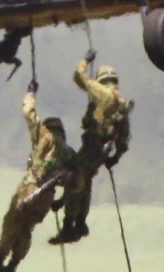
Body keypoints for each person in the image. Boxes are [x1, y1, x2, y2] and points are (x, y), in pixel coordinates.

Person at [0, 82, 75, 272]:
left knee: (12, 221)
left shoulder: (43, 134)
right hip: (46, 198)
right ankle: (13, 265)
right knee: (27, 228)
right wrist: (63, 201)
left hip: (31, 187)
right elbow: (77, 181)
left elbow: (27, 110)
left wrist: (31, 92)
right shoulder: (68, 152)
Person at [50, 50, 132, 244]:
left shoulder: (101, 92)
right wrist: (115, 157)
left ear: (101, 80)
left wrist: (86, 60)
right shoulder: (122, 104)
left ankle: (69, 224)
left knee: (74, 180)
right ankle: (80, 222)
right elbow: (123, 137)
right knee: (86, 182)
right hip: (102, 152)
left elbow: (79, 77)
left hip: (91, 146)